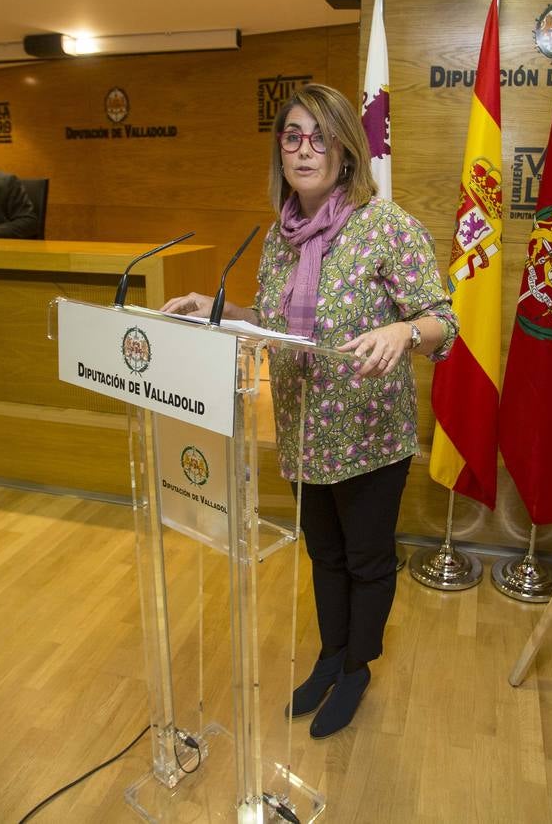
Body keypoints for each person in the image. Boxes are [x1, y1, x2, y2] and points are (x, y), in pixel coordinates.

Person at [161, 84, 457, 739]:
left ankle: (357, 668)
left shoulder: (387, 225)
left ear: (346, 150)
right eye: (292, 136)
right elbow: (275, 320)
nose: (304, 149)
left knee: (367, 560)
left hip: (369, 435)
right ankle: (329, 656)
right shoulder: (281, 236)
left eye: (319, 136)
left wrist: (404, 333)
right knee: (323, 555)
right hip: (300, 430)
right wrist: (220, 313)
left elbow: (443, 318)